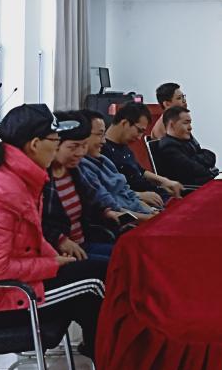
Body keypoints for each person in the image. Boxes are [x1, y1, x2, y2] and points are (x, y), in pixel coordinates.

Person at [0, 104, 106, 359]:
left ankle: (103, 356)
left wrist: (53, 258)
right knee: (96, 280)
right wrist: (51, 264)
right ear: (35, 144)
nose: (58, 147)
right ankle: (111, 362)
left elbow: (32, 236)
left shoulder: (16, 177)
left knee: (92, 279)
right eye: (55, 141)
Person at [43, 112, 125, 263]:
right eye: (73, 147)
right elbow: (38, 224)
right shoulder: (43, 181)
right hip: (60, 254)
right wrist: (60, 239)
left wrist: (106, 212)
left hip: (83, 243)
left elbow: (91, 200)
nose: (80, 153)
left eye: (84, 145)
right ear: (55, 145)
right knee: (118, 265)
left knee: (130, 254)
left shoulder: (75, 172)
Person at [77, 110, 161, 221]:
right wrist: (151, 218)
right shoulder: (83, 168)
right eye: (99, 134)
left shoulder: (105, 160)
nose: (103, 141)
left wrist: (151, 211)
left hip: (141, 209)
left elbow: (128, 192)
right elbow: (112, 207)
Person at [103, 102, 184, 199]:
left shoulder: (123, 146)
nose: (139, 137)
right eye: (139, 131)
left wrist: (164, 181)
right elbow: (110, 190)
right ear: (125, 123)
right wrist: (140, 196)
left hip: (153, 195)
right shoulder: (103, 151)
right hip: (137, 201)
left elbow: (140, 171)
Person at [153, 106, 220, 187]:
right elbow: (196, 170)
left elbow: (211, 155)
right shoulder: (168, 147)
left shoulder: (186, 139)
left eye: (190, 123)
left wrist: (194, 159)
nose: (190, 127)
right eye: (186, 123)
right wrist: (204, 164)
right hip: (192, 189)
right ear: (172, 125)